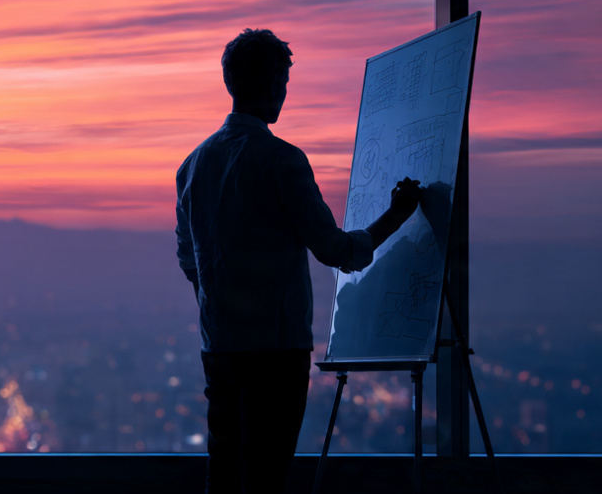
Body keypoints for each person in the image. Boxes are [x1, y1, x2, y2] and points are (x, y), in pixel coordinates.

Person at [175, 28, 424, 494]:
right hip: (276, 349)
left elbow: (190, 260)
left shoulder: (192, 165)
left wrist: (220, 306)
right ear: (275, 83)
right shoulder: (281, 161)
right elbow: (335, 250)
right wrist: (396, 216)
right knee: (265, 480)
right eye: (284, 82)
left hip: (219, 346)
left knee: (224, 476)